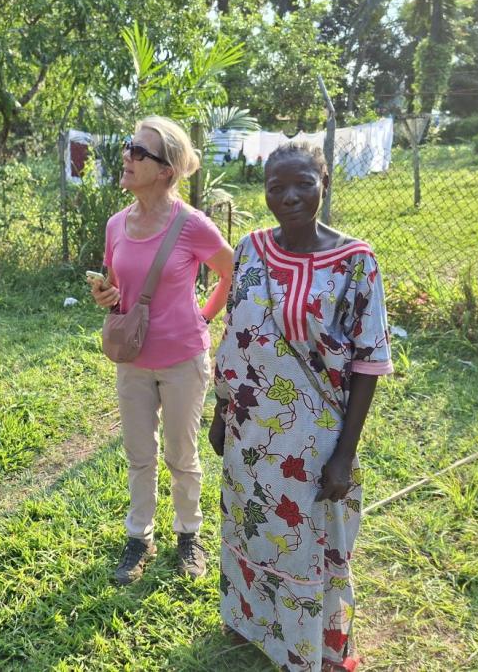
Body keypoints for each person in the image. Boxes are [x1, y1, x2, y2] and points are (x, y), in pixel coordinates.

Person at [209, 143, 392, 671]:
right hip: (248, 427)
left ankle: (309, 647)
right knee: (249, 523)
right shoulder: (250, 248)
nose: (289, 197)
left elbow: (368, 362)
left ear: (324, 184)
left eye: (303, 184)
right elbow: (235, 335)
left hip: (311, 437)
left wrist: (344, 454)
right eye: (276, 188)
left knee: (304, 540)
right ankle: (250, 621)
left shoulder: (355, 262)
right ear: (265, 193)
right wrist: (220, 412)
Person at [90, 116, 234, 586]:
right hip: (132, 360)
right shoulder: (116, 224)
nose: (127, 157)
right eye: (128, 147)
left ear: (166, 170)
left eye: (139, 152)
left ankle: (188, 534)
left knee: (181, 455)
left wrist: (204, 316)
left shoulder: (192, 225)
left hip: (181, 360)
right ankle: (139, 537)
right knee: (139, 454)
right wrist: (107, 295)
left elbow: (232, 272)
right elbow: (118, 284)